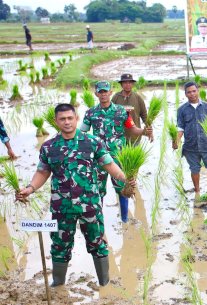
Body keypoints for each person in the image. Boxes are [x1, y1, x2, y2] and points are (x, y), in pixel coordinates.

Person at [16, 103, 131, 287]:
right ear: (56, 121)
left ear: (76, 118)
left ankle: (104, 283)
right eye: (62, 119)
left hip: (90, 206)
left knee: (98, 244)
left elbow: (109, 165)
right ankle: (58, 284)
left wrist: (126, 178)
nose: (67, 122)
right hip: (62, 208)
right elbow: (42, 172)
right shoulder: (49, 147)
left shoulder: (92, 142)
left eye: (70, 118)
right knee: (59, 247)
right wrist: (30, 189)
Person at [81, 81, 152, 223]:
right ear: (96, 94)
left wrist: (144, 131)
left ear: (110, 92)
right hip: (98, 159)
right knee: (97, 189)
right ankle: (98, 220)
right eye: (100, 92)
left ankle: (125, 220)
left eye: (105, 91)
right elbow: (82, 133)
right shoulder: (90, 113)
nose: (103, 94)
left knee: (122, 188)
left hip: (118, 157)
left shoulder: (121, 112)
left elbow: (132, 129)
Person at [173, 81, 207, 197]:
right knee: (194, 169)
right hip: (191, 146)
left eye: (194, 91)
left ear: (198, 91)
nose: (192, 94)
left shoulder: (206, 107)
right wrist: (177, 140)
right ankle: (197, 191)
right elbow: (180, 127)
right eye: (189, 92)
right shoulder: (182, 110)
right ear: (185, 94)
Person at [111, 73, 148, 144]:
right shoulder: (116, 97)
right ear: (121, 84)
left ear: (133, 84)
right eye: (125, 83)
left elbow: (144, 115)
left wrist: (149, 130)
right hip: (119, 137)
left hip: (135, 136)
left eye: (130, 82)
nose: (128, 85)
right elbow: (110, 114)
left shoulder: (137, 97)